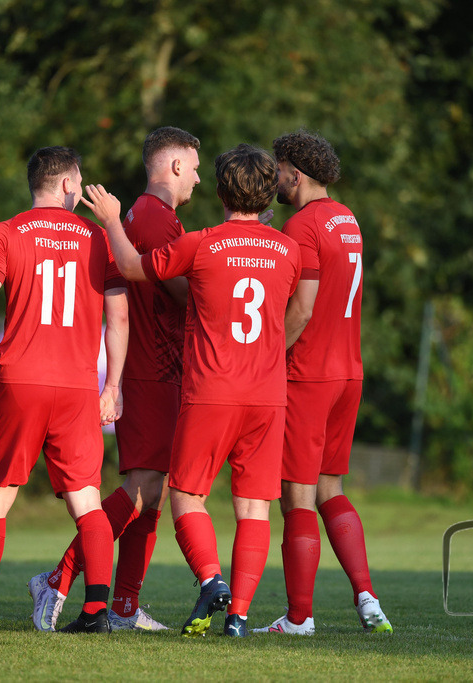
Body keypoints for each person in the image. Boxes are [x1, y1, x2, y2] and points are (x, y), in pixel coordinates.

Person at [84, 143, 301, 638]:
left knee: (185, 495)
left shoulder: (201, 243)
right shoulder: (287, 248)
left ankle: (211, 580)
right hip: (269, 394)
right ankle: (239, 616)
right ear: (267, 191)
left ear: (221, 191)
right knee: (254, 508)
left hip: (211, 391)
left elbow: (134, 267)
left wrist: (114, 220)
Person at [27, 127, 200, 632]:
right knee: (143, 486)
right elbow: (185, 291)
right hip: (152, 369)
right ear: (171, 166)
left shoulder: (153, 217)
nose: (196, 177)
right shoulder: (150, 216)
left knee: (153, 489)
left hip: (159, 369)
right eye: (192, 166)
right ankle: (59, 577)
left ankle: (123, 605)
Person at [0, 146, 128, 633]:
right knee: (87, 501)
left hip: (18, 381)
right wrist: (111, 386)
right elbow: (118, 317)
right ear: (70, 182)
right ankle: (95, 611)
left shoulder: (6, 232)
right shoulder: (99, 239)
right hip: (76, 386)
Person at [252, 130, 393, 636]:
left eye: (279, 170)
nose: (274, 179)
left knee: (297, 496)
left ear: (297, 172)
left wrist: (267, 357)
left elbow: (302, 307)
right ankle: (368, 598)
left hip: (308, 375)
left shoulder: (302, 224)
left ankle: (299, 617)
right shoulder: (346, 218)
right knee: (330, 487)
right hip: (348, 372)